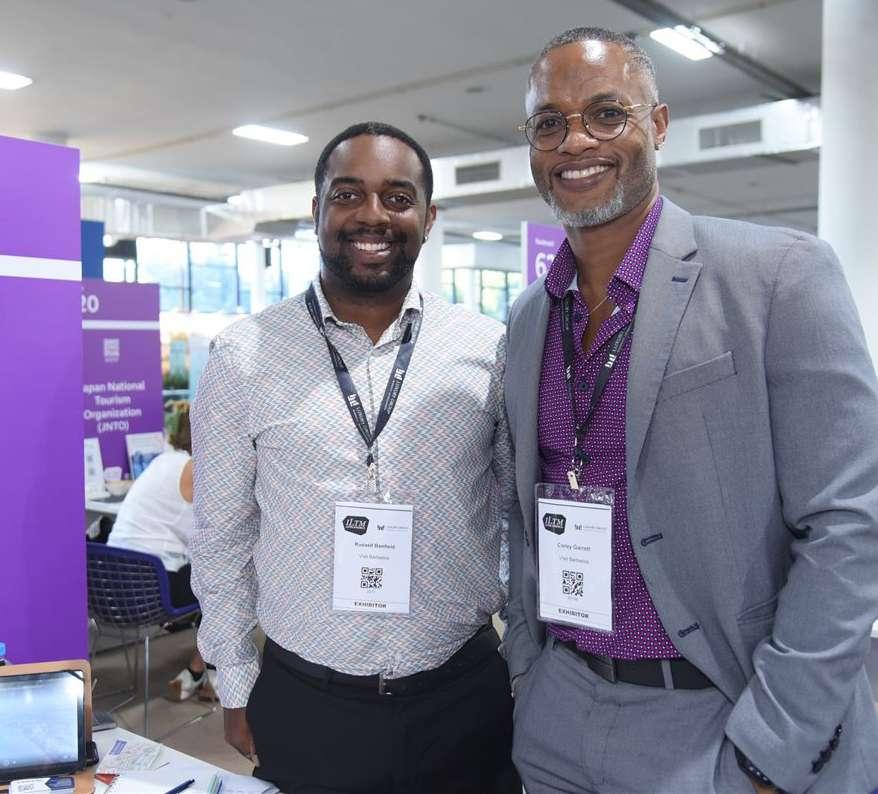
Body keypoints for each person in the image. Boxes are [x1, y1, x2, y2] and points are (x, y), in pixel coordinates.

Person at [502, 26, 878, 794]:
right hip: (559, 711)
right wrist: (527, 675)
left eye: (607, 113)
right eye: (549, 123)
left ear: (659, 124)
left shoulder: (778, 276)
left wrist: (771, 747)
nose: (576, 140)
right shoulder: (530, 317)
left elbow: (851, 523)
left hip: (720, 714)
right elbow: (521, 510)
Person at [190, 121, 519, 794]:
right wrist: (235, 679)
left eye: (397, 198)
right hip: (309, 703)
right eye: (348, 195)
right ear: (317, 211)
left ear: (428, 218)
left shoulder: (488, 349)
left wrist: (524, 659)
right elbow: (221, 538)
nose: (373, 215)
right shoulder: (244, 356)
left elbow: (516, 515)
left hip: (464, 695)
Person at [106, 404, 216, 701]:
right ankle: (206, 671)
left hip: (109, 586)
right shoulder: (197, 469)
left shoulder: (163, 461)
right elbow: (210, 540)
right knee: (236, 582)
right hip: (150, 589)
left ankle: (201, 670)